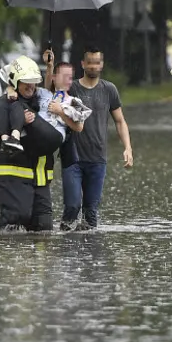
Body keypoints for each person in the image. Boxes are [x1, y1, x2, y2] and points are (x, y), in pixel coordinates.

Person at [59, 46, 133, 230]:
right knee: (72, 207)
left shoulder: (109, 90)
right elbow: (49, 91)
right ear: (83, 64)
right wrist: (51, 65)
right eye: (89, 62)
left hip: (97, 158)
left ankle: (90, 254)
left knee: (91, 213)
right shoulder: (72, 87)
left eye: (97, 62)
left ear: (102, 65)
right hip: (72, 158)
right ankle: (64, 248)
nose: (93, 66)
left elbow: (120, 121)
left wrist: (128, 148)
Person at [0, 56, 64, 231]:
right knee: (15, 221)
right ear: (15, 81)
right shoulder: (1, 105)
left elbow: (51, 136)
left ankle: (39, 260)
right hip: (14, 178)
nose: (31, 87)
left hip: (41, 179)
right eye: (26, 82)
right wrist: (21, 124)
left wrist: (33, 123)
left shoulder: (41, 103)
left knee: (44, 228)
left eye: (34, 82)